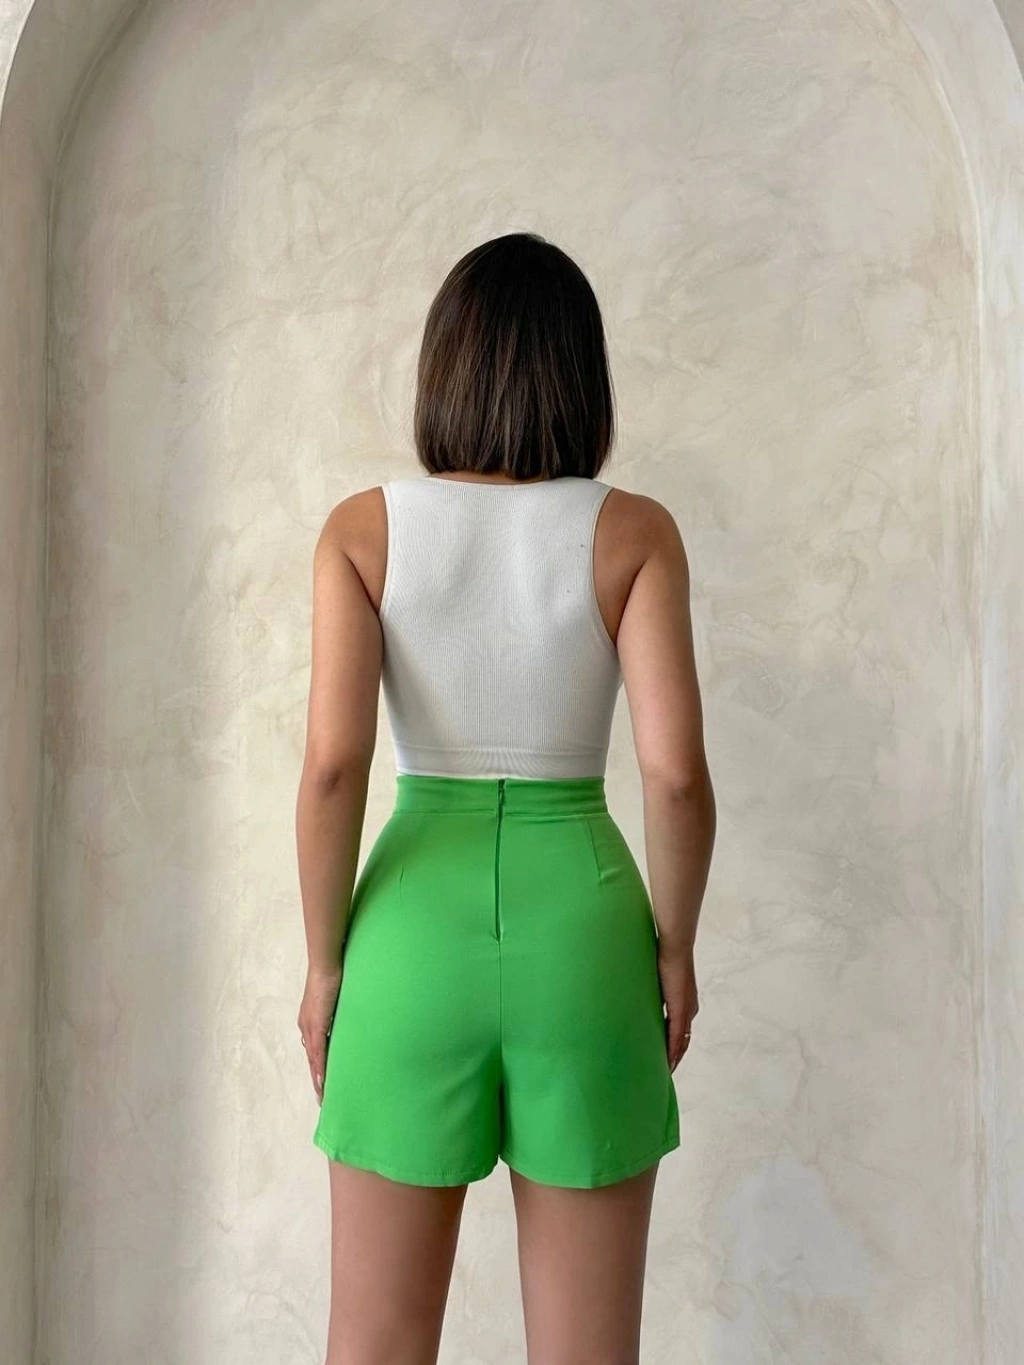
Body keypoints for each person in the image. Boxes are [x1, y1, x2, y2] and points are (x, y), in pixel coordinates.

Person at [294, 231, 717, 1365]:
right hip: (584, 934)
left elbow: (333, 764)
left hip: (408, 933)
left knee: (374, 1343)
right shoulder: (633, 533)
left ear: (447, 368)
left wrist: (326, 964)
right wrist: (675, 949)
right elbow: (675, 776)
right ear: (581, 376)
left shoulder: (361, 531)